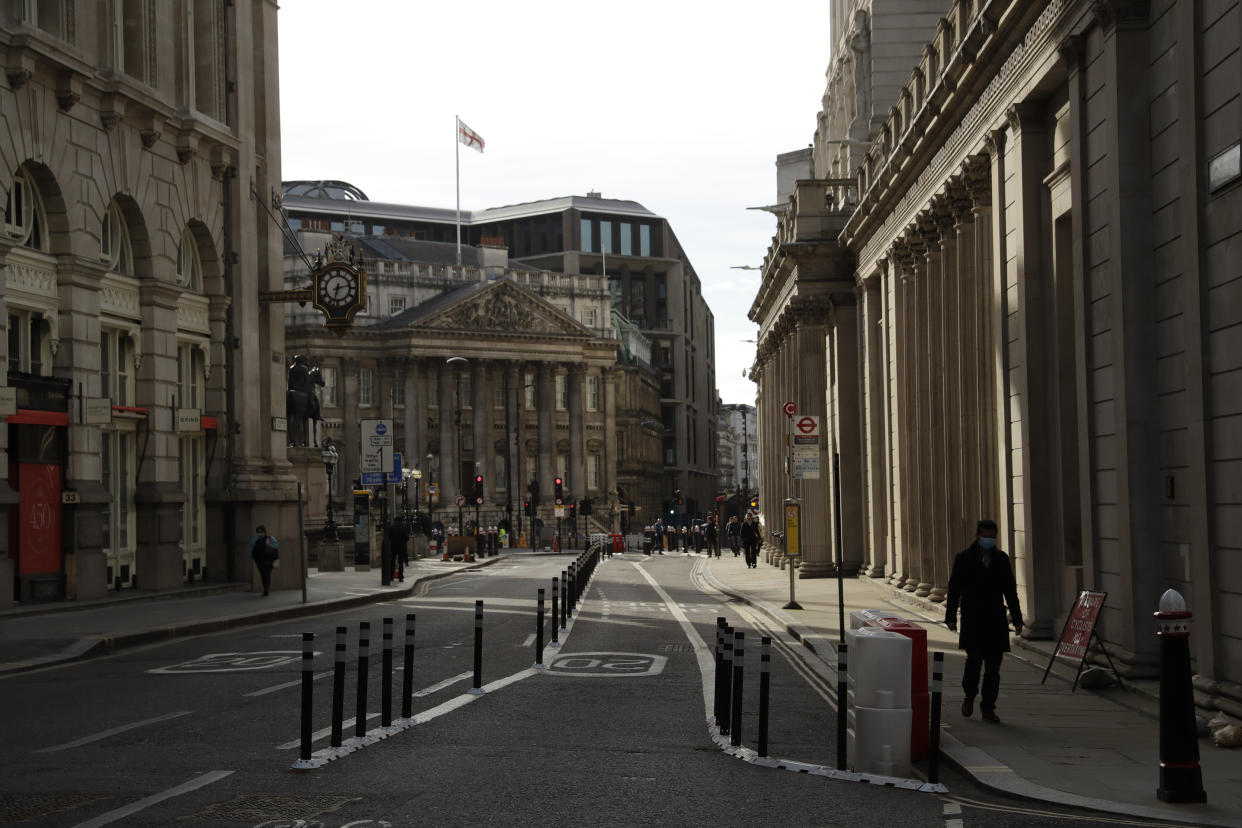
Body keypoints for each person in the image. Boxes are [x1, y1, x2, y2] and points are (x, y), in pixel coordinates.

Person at [944, 519, 1024, 724]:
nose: (988, 540)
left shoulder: (1001, 559)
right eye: (985, 536)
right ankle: (969, 695)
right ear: (977, 536)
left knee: (993, 667)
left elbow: (1010, 590)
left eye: (992, 537)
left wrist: (1017, 618)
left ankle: (988, 707)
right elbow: (954, 589)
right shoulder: (963, 558)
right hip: (973, 619)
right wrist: (951, 616)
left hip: (996, 619)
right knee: (973, 660)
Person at [249, 525, 279, 596]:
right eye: (258, 532)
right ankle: (265, 588)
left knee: (266, 574)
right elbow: (251, 544)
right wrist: (256, 537)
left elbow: (276, 545)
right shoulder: (256, 539)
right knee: (263, 575)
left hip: (268, 560)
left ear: (264, 532)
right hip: (259, 561)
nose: (260, 533)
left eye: (261, 532)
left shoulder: (269, 538)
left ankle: (266, 589)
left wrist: (268, 545)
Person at [386, 517, 409, 581]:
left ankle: (391, 577)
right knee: (401, 562)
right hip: (401, 547)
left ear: (395, 521)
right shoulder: (403, 528)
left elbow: (388, 537)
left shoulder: (391, 528)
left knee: (392, 562)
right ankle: (400, 577)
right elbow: (407, 538)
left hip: (393, 547)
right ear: (401, 521)